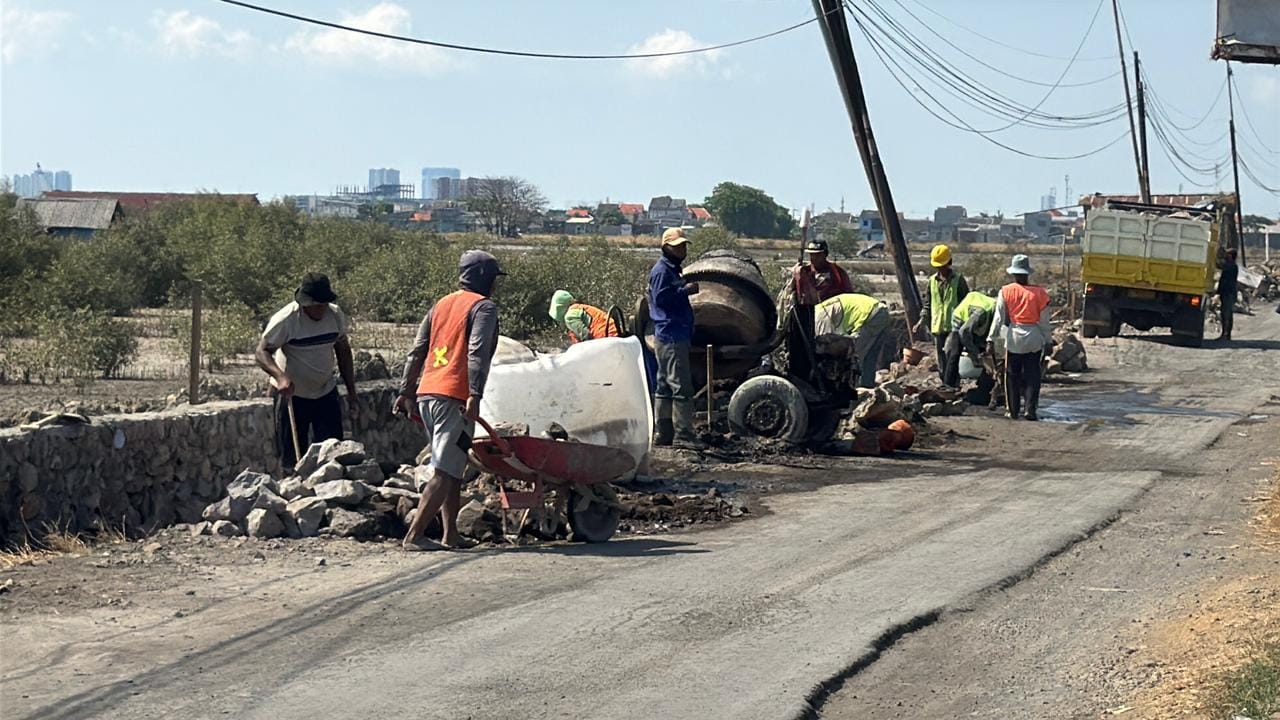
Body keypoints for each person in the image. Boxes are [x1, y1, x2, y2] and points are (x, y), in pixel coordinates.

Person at [395, 250, 504, 551]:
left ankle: (450, 534)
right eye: (494, 279)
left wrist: (406, 391)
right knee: (444, 470)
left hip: (428, 392)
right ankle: (415, 536)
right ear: (485, 279)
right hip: (454, 396)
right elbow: (477, 352)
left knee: (453, 466)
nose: (495, 286)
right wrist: (475, 394)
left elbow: (417, 350)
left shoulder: (441, 304)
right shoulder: (483, 307)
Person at [255, 273, 358, 469]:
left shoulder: (334, 315)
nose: (321, 309)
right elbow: (261, 352)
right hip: (293, 394)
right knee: (293, 456)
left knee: (332, 453)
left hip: (325, 391)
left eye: (324, 304)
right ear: (305, 303)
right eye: (316, 305)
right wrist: (280, 377)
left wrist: (352, 392)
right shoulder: (287, 320)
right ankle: (294, 494)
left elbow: (343, 351)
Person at [648, 228, 700, 446]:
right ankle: (684, 434)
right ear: (666, 247)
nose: (682, 250)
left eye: (683, 246)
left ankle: (664, 433)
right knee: (680, 386)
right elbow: (661, 300)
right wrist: (686, 291)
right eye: (677, 246)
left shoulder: (673, 270)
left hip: (671, 332)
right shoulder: (662, 271)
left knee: (665, 384)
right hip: (671, 333)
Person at [987, 255, 1052, 421]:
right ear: (1027, 273)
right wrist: (1048, 341)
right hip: (1034, 336)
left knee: (1012, 375)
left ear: (1013, 274)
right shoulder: (1040, 293)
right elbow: (1044, 322)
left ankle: (1013, 410)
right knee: (1033, 375)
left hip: (1014, 335)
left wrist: (991, 339)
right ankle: (1030, 409)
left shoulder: (1006, 291)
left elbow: (998, 318)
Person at [913, 244, 970, 385]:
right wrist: (921, 321)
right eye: (938, 266)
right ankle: (945, 385)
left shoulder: (958, 280)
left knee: (951, 356)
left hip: (954, 327)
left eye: (942, 265)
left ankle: (951, 386)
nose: (941, 269)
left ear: (949, 263)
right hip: (938, 326)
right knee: (942, 360)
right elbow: (928, 304)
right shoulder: (932, 281)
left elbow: (967, 303)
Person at [814, 292, 891, 388]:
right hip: (880, 312)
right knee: (869, 355)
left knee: (854, 355)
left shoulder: (817, 317)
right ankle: (867, 387)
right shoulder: (820, 309)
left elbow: (828, 341)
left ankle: (854, 392)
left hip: (871, 316)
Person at [948, 290, 998, 405]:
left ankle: (983, 390)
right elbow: (964, 332)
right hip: (961, 322)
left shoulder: (995, 313)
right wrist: (975, 354)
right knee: (955, 354)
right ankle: (949, 388)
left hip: (976, 327)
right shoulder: (982, 313)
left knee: (987, 354)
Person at [793, 239, 855, 304]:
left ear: (825, 254)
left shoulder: (837, 272)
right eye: (811, 254)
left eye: (818, 255)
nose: (814, 258)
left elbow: (849, 294)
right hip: (809, 311)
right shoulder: (804, 271)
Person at [548, 290, 620, 344]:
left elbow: (586, 336)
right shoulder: (580, 307)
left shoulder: (569, 316)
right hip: (614, 333)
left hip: (606, 339)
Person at [1217, 248, 1239, 341]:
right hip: (1226, 292)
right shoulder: (1231, 265)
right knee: (1224, 313)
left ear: (1231, 256)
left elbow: (1220, 265)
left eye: (1227, 254)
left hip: (1229, 293)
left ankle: (1226, 334)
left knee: (1227, 314)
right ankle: (1225, 334)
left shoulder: (1232, 266)